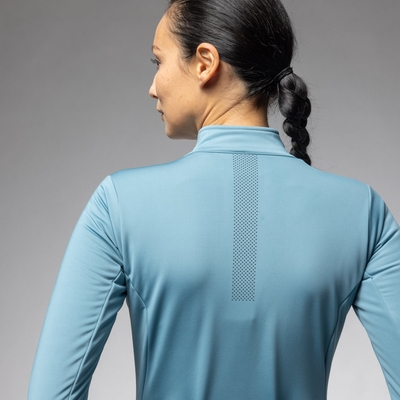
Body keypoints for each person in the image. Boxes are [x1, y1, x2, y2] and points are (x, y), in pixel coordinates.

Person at [28, 0, 400, 399]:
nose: (152, 87)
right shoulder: (362, 212)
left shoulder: (118, 204)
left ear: (205, 62)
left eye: (158, 61)